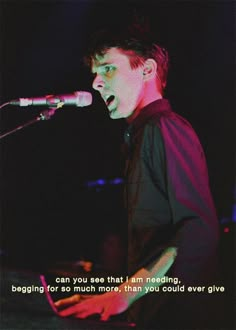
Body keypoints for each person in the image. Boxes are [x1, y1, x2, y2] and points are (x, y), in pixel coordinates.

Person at [54, 25, 220, 329]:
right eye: (95, 72)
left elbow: (199, 229)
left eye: (107, 68)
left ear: (147, 70)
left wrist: (123, 295)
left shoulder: (164, 128)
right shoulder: (141, 135)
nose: (95, 83)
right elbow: (155, 247)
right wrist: (109, 297)